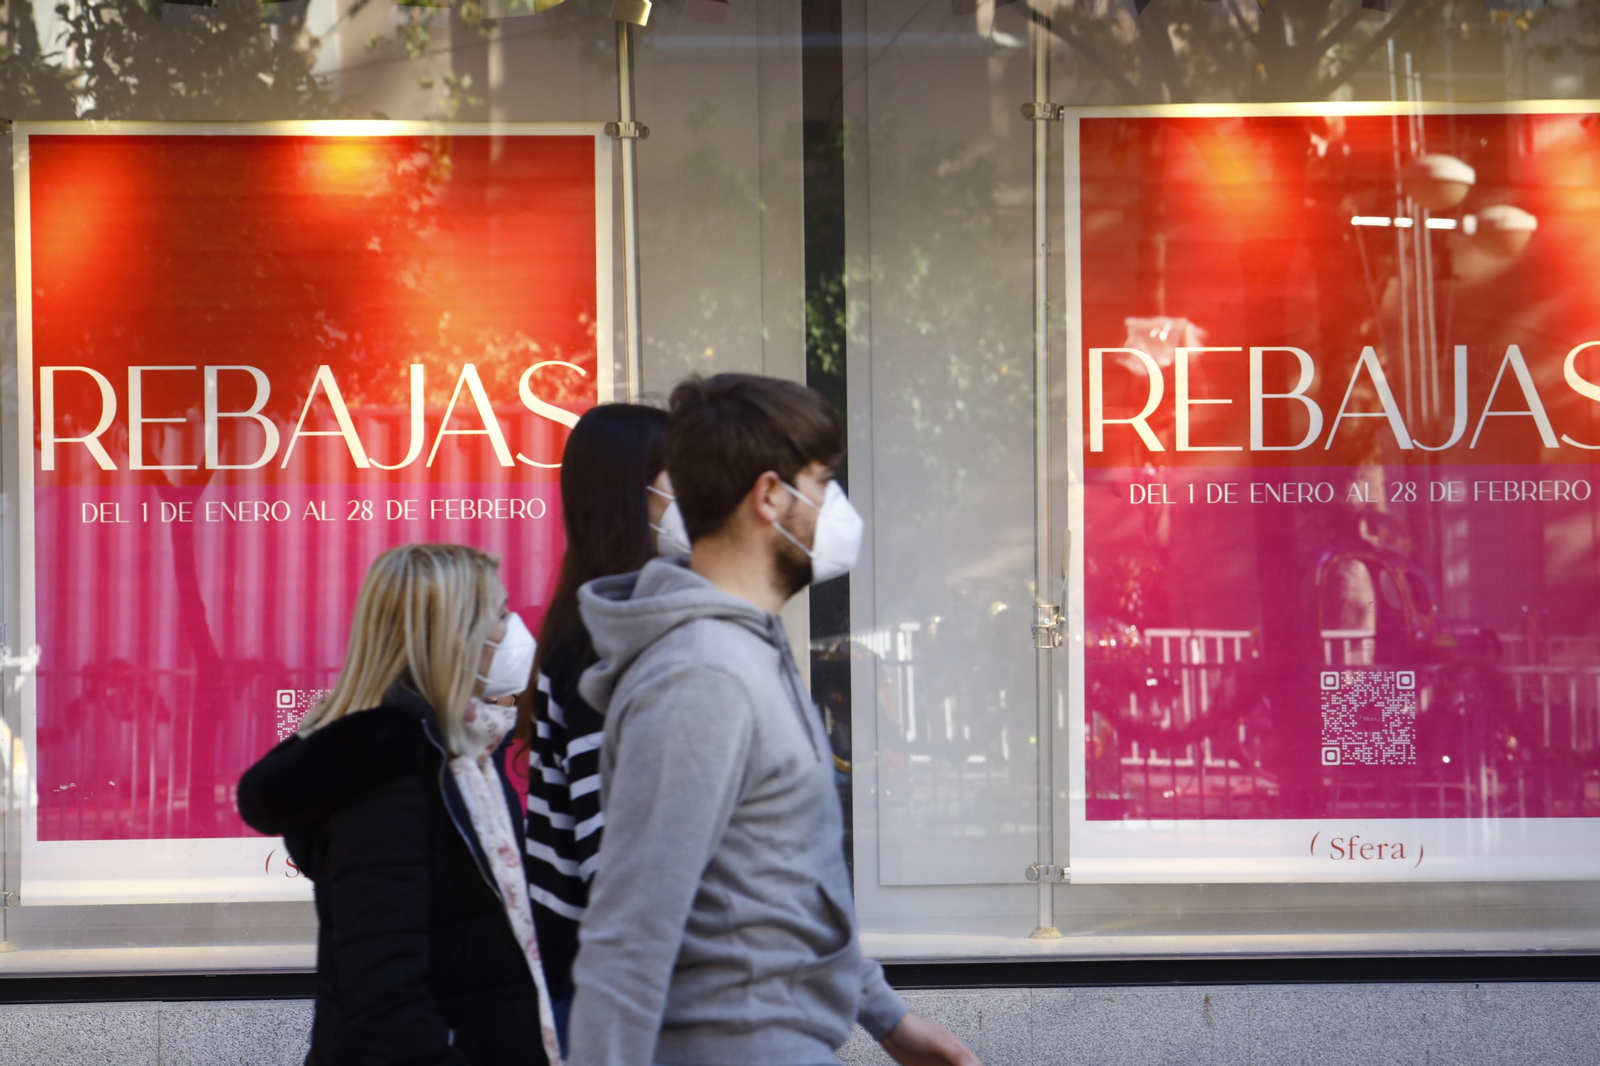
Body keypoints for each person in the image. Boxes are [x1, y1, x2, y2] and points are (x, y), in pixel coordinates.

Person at [567, 374, 981, 1066]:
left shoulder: (747, 651)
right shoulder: (703, 676)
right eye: (820, 481)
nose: (835, 506)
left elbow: (786, 882)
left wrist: (890, 1018)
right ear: (768, 497)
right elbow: (629, 938)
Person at [238, 543, 562, 1066]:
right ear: (454, 637)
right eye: (500, 614)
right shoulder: (387, 780)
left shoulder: (462, 754)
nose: (515, 630)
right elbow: (386, 996)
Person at [516, 403, 683, 1049]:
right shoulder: (606, 646)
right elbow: (615, 851)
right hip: (633, 999)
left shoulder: (595, 630)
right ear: (630, 495)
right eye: (682, 477)